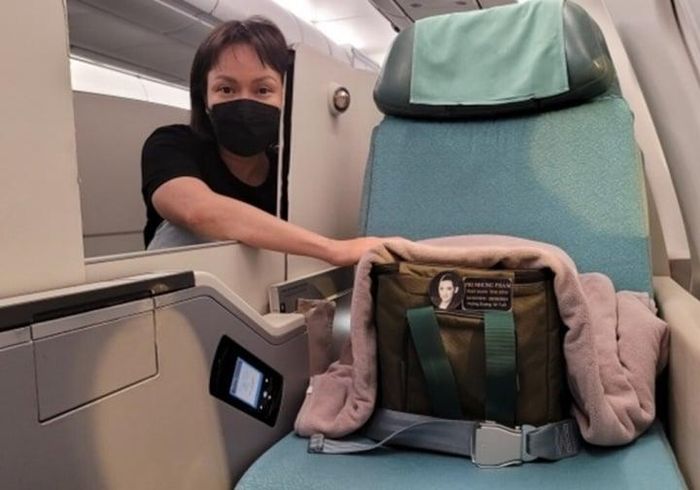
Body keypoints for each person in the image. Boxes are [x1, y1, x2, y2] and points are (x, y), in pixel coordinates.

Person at [141, 16, 388, 265]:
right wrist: (334, 250)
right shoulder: (171, 144)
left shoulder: (290, 173)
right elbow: (197, 212)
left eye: (263, 90)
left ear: (286, 98)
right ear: (205, 98)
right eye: (226, 89)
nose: (244, 102)